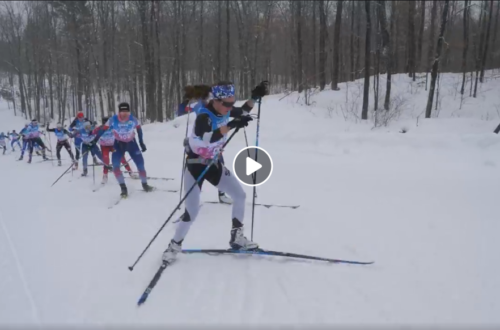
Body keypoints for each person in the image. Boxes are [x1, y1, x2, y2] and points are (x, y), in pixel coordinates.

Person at [162, 80, 268, 263]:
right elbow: (207, 138)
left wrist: (254, 98)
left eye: (231, 103)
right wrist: (233, 124)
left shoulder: (224, 109)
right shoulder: (204, 116)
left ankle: (236, 238)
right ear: (216, 101)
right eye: (227, 104)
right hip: (195, 166)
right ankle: (173, 246)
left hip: (213, 164)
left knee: (240, 195)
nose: (230, 107)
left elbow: (241, 112)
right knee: (192, 212)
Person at [94, 102, 153, 196]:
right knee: (116, 166)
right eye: (123, 111)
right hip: (118, 144)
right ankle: (123, 188)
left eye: (127, 111)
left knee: (141, 165)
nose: (125, 114)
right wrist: (95, 140)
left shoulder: (133, 119)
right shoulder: (113, 119)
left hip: (132, 144)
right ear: (119, 112)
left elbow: (139, 130)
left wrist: (141, 142)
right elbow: (103, 129)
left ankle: (145, 184)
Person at [95, 116, 136, 184]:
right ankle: (105, 176)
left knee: (122, 158)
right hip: (104, 146)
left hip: (113, 145)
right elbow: (92, 133)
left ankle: (130, 172)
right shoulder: (100, 128)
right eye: (105, 123)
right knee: (106, 160)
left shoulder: (113, 127)